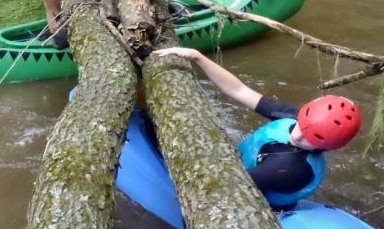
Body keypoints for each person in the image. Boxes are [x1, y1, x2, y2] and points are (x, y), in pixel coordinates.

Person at [152, 46, 362, 207]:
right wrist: (197, 56)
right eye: (302, 126)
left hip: (260, 199)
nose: (299, 137)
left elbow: (226, 185)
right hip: (253, 170)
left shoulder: (290, 168)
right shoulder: (293, 117)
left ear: (328, 147)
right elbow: (239, 91)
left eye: (311, 139)